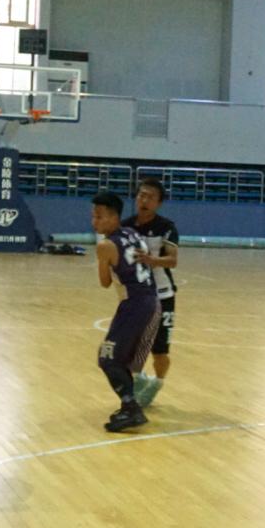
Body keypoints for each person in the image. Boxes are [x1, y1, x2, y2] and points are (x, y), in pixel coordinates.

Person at [91, 192, 161, 433]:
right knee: (118, 359)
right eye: (93, 216)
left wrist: (102, 258)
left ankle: (132, 408)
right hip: (150, 301)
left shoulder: (105, 245)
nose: (94, 222)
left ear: (114, 217)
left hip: (135, 304)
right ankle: (129, 406)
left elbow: (105, 283)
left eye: (99, 216)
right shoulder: (133, 233)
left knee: (107, 357)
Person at [123, 177, 180, 408]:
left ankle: (157, 383)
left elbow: (172, 260)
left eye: (150, 197)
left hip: (163, 296)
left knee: (159, 351)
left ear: (159, 203)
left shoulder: (166, 227)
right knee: (130, 346)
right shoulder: (126, 227)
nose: (144, 200)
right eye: (141, 195)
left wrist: (151, 260)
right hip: (136, 296)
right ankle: (139, 380)